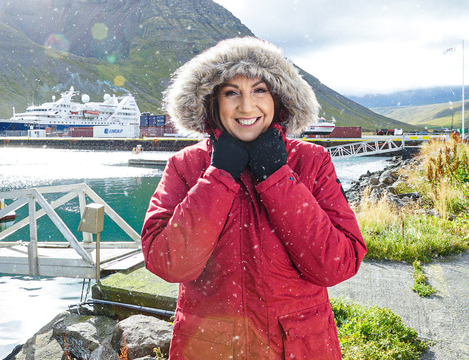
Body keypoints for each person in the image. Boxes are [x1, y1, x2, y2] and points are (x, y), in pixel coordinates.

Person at [141, 37, 367, 359]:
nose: (247, 107)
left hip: (298, 348)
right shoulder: (186, 166)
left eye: (259, 90)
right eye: (231, 92)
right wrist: (219, 176)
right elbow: (169, 263)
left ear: (279, 98)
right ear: (212, 102)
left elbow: (338, 264)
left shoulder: (311, 161)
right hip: (210, 349)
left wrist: (277, 177)